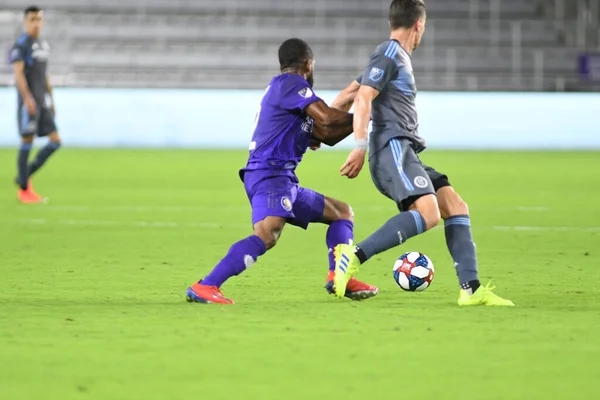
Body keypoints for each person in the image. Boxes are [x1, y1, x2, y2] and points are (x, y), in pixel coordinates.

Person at [330, 0, 514, 306]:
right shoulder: (389, 53)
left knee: (454, 205)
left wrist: (321, 133)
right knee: (428, 214)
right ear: (418, 25)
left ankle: (470, 289)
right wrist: (359, 147)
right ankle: (353, 255)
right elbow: (362, 98)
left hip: (405, 151)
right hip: (391, 148)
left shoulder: (391, 57)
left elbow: (347, 96)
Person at [186, 38, 378, 304]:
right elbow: (326, 118)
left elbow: (327, 134)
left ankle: (339, 276)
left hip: (280, 178)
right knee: (267, 235)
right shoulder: (290, 84)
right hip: (270, 174)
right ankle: (206, 285)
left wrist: (360, 115)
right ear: (308, 64)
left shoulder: (287, 98)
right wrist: (369, 112)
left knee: (342, 213)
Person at [10, 5, 61, 204]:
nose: (36, 23)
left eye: (39, 19)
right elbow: (18, 74)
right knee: (27, 142)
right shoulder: (21, 44)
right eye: (32, 19)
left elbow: (45, 75)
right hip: (28, 103)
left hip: (42, 102)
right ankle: (24, 191)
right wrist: (28, 99)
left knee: (55, 141)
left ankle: (23, 176)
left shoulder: (43, 46)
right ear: (25, 22)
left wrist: (51, 100)